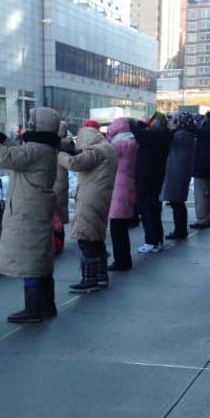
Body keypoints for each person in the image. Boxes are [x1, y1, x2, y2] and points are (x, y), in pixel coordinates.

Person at [0, 106, 60, 322]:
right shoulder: (45, 148)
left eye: (32, 121)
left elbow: (5, 157)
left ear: (39, 125)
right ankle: (46, 306)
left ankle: (32, 309)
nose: (29, 124)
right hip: (35, 208)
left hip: (28, 211)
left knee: (30, 260)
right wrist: (3, 139)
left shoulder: (36, 150)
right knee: (39, 259)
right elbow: (17, 153)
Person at [59, 120, 118, 293]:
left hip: (90, 197)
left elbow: (74, 163)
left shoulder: (96, 152)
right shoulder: (107, 148)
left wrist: (59, 153)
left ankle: (89, 280)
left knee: (85, 237)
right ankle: (101, 276)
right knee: (96, 238)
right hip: (101, 197)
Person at [132, 111, 173, 253]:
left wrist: (132, 124)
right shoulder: (163, 135)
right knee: (154, 210)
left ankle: (151, 240)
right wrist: (142, 125)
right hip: (153, 177)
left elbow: (142, 135)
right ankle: (157, 240)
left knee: (147, 210)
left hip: (148, 178)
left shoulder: (157, 136)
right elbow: (145, 135)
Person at [105, 117, 138, 271]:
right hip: (128, 185)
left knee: (117, 228)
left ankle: (121, 261)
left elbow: (104, 152)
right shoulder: (133, 143)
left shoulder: (120, 145)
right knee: (121, 228)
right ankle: (124, 259)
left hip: (119, 187)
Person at [162, 112, 197, 240]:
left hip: (176, 170)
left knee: (176, 202)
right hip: (182, 170)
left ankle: (179, 230)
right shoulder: (190, 135)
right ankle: (181, 229)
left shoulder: (180, 135)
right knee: (179, 202)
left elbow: (167, 138)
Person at [53, 120, 75, 247]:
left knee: (53, 214)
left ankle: (57, 241)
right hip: (62, 180)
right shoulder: (67, 143)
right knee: (59, 213)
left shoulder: (52, 142)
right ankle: (60, 240)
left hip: (52, 180)